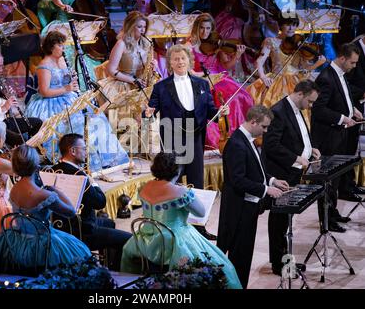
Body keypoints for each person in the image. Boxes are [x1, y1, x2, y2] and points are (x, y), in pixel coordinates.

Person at [120, 152, 242, 288]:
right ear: (176, 170)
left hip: (145, 240)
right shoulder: (181, 193)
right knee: (221, 265)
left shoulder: (144, 188)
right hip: (173, 241)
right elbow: (201, 213)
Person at [25, 31, 128, 171]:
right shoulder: (44, 65)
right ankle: (82, 161)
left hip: (68, 97)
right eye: (60, 45)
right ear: (51, 47)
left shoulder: (62, 61)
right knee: (76, 125)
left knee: (96, 119)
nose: (63, 48)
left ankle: (105, 158)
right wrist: (66, 88)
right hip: (50, 103)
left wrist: (71, 82)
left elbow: (66, 82)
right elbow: (44, 92)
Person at [0, 144, 91, 276]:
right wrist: (55, 190)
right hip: (41, 244)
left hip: (15, 240)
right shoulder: (44, 195)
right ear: (36, 166)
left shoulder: (14, 190)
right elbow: (70, 211)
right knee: (81, 253)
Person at [217, 105, 289, 288]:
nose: (265, 131)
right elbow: (238, 180)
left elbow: (254, 168)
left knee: (244, 254)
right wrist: (266, 190)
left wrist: (272, 180)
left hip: (247, 207)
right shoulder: (236, 144)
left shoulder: (247, 140)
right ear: (253, 121)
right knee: (239, 256)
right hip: (237, 210)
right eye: (263, 127)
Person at [145, 44, 228, 189]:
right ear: (170, 62)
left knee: (196, 179)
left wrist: (220, 112)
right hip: (172, 136)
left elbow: (210, 111)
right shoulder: (161, 87)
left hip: (195, 135)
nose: (180, 62)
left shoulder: (202, 84)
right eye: (176, 59)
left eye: (183, 58)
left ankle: (195, 208)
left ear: (189, 60)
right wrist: (147, 113)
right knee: (172, 178)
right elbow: (151, 109)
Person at [262, 80, 321, 275]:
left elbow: (296, 136)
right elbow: (271, 145)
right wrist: (295, 157)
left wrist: (309, 148)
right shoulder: (278, 111)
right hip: (282, 173)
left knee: (285, 220)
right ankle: (279, 264)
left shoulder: (295, 109)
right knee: (279, 220)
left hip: (293, 171)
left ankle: (285, 259)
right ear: (301, 94)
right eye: (310, 102)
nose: (310, 106)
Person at [52, 133, 132, 271]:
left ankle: (104, 265)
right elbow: (100, 202)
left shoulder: (52, 170)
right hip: (83, 230)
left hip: (59, 227)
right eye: (83, 148)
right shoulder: (79, 175)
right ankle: (116, 274)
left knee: (110, 223)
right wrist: (93, 182)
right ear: (72, 151)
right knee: (128, 240)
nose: (86, 152)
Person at [311, 43, 363, 233]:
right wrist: (342, 118)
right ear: (342, 58)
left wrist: (353, 110)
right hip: (328, 137)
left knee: (337, 178)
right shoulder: (326, 78)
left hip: (340, 134)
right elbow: (319, 109)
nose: (354, 66)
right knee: (328, 181)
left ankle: (332, 213)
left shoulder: (340, 75)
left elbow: (344, 98)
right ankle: (326, 221)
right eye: (352, 62)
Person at [187, 13, 254, 150]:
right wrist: (205, 75)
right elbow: (189, 71)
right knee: (224, 100)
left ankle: (239, 135)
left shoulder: (215, 43)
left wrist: (237, 55)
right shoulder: (189, 46)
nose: (205, 32)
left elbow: (225, 66)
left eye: (208, 28)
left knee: (241, 96)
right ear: (196, 28)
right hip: (202, 81)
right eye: (202, 28)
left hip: (221, 79)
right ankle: (223, 136)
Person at [246, 13, 326, 110]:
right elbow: (259, 61)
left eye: (294, 25)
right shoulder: (271, 41)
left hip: (295, 82)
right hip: (276, 80)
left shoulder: (299, 44)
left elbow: (305, 67)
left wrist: (318, 64)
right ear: (281, 25)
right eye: (288, 24)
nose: (291, 28)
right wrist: (263, 77)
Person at [97, 11, 156, 129]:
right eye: (139, 27)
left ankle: (143, 144)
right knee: (126, 125)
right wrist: (132, 80)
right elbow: (111, 70)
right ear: (130, 27)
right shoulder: (121, 44)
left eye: (144, 27)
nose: (142, 30)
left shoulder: (146, 43)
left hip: (141, 85)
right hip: (123, 85)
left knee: (146, 122)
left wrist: (151, 67)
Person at [0, 50, 43, 147]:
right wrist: (4, 107)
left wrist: (8, 96)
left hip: (5, 120)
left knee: (37, 123)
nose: (1, 69)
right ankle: (26, 156)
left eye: (2, 66)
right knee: (22, 140)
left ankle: (38, 153)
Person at [37, 0, 102, 85]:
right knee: (66, 49)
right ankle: (69, 80)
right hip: (63, 22)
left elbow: (93, 3)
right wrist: (62, 5)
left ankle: (85, 77)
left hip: (78, 23)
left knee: (81, 48)